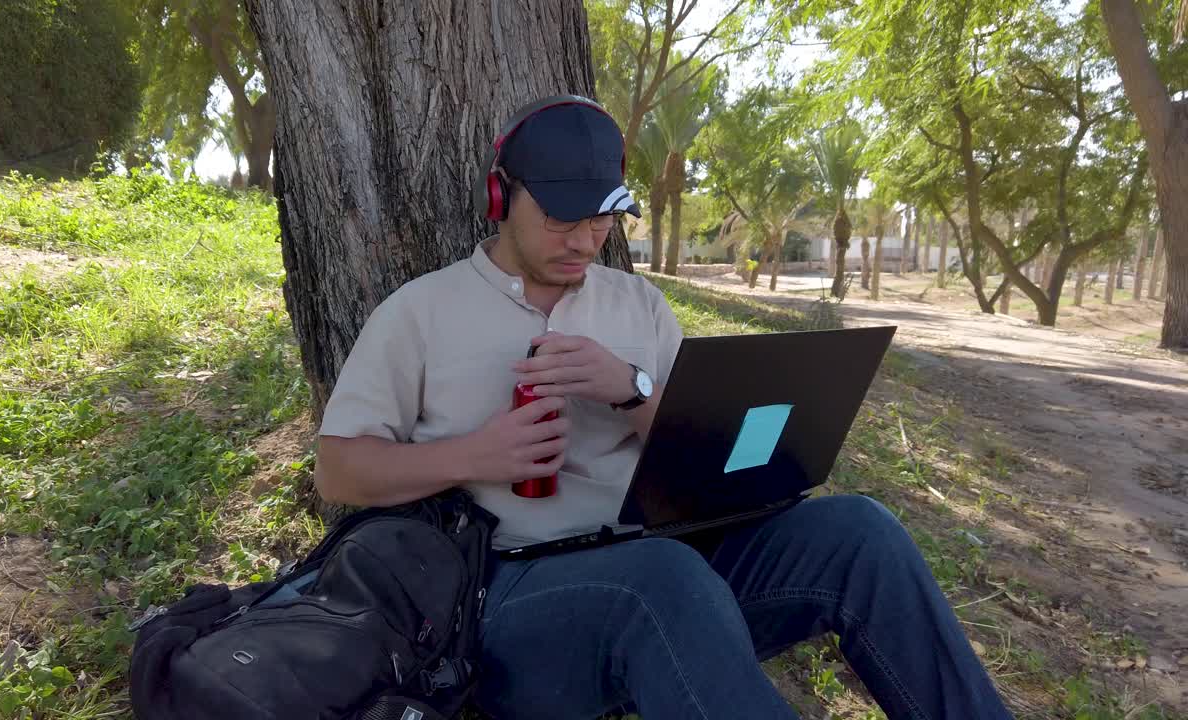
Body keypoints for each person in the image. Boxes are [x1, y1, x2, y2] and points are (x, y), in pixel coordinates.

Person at [314, 96, 1011, 720]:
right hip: (508, 592)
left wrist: (630, 388)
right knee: (660, 582)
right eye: (563, 217)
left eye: (603, 219)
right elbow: (339, 471)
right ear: (502, 196)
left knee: (861, 532)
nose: (586, 241)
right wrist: (476, 455)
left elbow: (700, 456)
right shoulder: (421, 313)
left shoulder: (635, 304)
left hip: (664, 560)